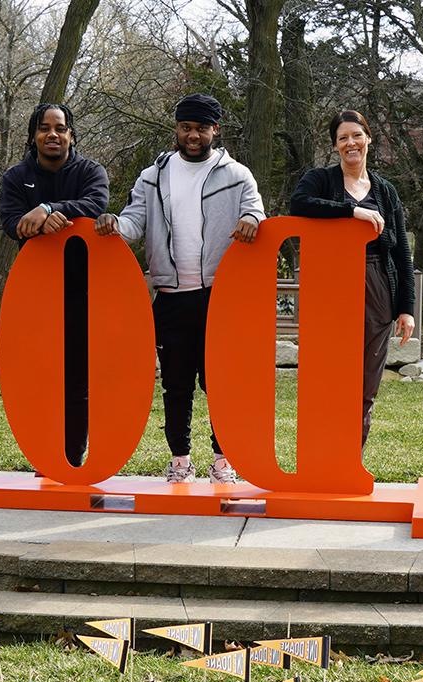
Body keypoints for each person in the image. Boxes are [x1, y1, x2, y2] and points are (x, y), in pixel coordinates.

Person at [96, 93, 264, 484]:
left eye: (201, 129)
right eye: (186, 128)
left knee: (220, 384)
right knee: (176, 383)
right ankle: (179, 461)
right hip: (171, 296)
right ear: (176, 128)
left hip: (219, 297)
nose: (193, 135)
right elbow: (134, 221)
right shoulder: (152, 176)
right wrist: (115, 225)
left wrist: (253, 218)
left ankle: (223, 461)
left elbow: (256, 210)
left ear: (214, 131)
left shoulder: (237, 175)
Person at [289, 110, 418, 446]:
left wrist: (406, 308)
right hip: (332, 285)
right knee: (330, 378)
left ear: (368, 139)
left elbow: (401, 254)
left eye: (357, 135)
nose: (351, 143)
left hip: (377, 284)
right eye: (343, 138)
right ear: (335, 146)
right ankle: (324, 457)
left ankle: (350, 459)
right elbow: (299, 204)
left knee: (366, 383)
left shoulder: (386, 191)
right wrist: (352, 211)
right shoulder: (321, 180)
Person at [0, 103, 109, 467]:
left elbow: (96, 204)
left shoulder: (91, 171)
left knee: (77, 381)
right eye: (44, 128)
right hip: (34, 294)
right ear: (33, 136)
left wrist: (48, 208)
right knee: (38, 379)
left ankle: (73, 460)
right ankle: (44, 458)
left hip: (83, 292)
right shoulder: (16, 177)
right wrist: (34, 221)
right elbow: (11, 221)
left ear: (71, 135)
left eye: (60, 128)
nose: (52, 134)